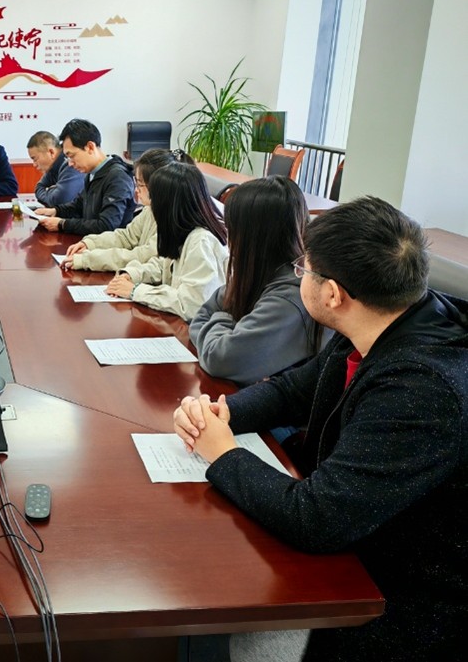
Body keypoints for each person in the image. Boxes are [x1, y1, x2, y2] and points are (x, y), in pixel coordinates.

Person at [173, 197, 468, 662]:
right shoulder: (383, 319)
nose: (299, 277)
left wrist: (223, 453)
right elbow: (292, 390)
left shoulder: (423, 391)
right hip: (360, 531)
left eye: (303, 269)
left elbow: (316, 519)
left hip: (396, 592)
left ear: (332, 294)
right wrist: (221, 413)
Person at [190, 176, 325, 386]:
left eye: (232, 230)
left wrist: (223, 318)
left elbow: (219, 359)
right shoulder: (263, 274)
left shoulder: (292, 297)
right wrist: (226, 330)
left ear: (251, 239)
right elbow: (199, 317)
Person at [105, 162, 227, 321]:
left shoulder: (201, 241)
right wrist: (133, 274)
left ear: (167, 204)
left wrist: (135, 291)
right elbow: (164, 266)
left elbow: (191, 305)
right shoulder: (183, 231)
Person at [62, 148, 191, 270]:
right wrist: (90, 244)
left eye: (140, 184)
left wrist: (88, 260)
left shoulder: (175, 220)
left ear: (159, 186)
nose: (136, 190)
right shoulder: (149, 210)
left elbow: (142, 256)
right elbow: (126, 236)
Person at [34, 119, 135, 235]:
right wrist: (55, 211)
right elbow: (78, 206)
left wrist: (63, 224)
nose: (70, 163)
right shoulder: (92, 173)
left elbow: (107, 225)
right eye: (67, 158)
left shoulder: (118, 177)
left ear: (90, 147)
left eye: (72, 156)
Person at [27, 130, 83, 206]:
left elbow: (60, 199)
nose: (34, 164)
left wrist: (49, 190)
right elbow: (39, 188)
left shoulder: (71, 163)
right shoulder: (51, 168)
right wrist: (53, 191)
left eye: (35, 159)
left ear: (51, 152)